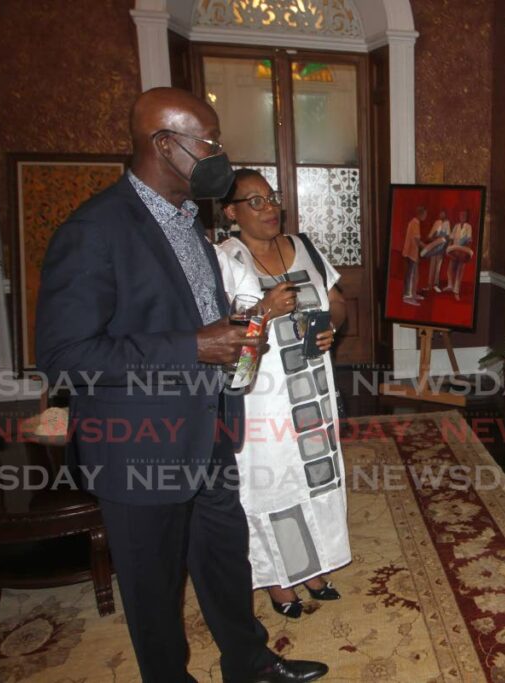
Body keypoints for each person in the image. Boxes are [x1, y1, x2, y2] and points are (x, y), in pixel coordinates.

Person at [35, 88, 327, 682]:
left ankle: (248, 662)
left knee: (224, 562)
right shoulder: (95, 229)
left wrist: (235, 340)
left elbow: (187, 313)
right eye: (210, 143)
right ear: (164, 144)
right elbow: (64, 358)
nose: (220, 153)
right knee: (155, 589)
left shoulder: (187, 223)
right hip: (138, 444)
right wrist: (194, 346)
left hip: (211, 429)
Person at [216, 169, 351, 620]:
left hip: (312, 388)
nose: (269, 208)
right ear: (231, 212)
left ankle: (313, 568)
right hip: (263, 397)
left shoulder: (304, 245)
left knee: (314, 476)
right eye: (253, 202)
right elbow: (220, 335)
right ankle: (278, 578)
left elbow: (338, 300)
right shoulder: (225, 260)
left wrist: (330, 325)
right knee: (273, 484)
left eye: (271, 198)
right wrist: (263, 310)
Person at [444, 209, 474, 299]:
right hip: (454, 249)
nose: (462, 217)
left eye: (464, 215)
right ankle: (450, 285)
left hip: (462, 251)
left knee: (459, 270)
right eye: (461, 215)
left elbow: (469, 240)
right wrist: (448, 249)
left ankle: (456, 291)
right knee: (450, 268)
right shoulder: (456, 226)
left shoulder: (468, 226)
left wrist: (464, 251)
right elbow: (451, 238)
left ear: (466, 217)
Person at [402, 206, 426, 305]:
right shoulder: (415, 223)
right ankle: (407, 296)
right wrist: (426, 246)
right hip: (411, 253)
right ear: (421, 214)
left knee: (415, 274)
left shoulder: (415, 222)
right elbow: (416, 240)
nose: (426, 216)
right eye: (425, 214)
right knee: (411, 275)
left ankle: (414, 293)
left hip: (413, 253)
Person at [424, 208, 451, 293]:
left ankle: (436, 284)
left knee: (438, 266)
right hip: (434, 246)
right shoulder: (436, 222)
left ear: (445, 214)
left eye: (443, 213)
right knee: (432, 265)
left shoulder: (447, 223)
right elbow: (430, 235)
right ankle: (429, 285)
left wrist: (445, 245)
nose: (441, 215)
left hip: (441, 247)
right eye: (440, 213)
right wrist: (433, 238)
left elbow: (448, 236)